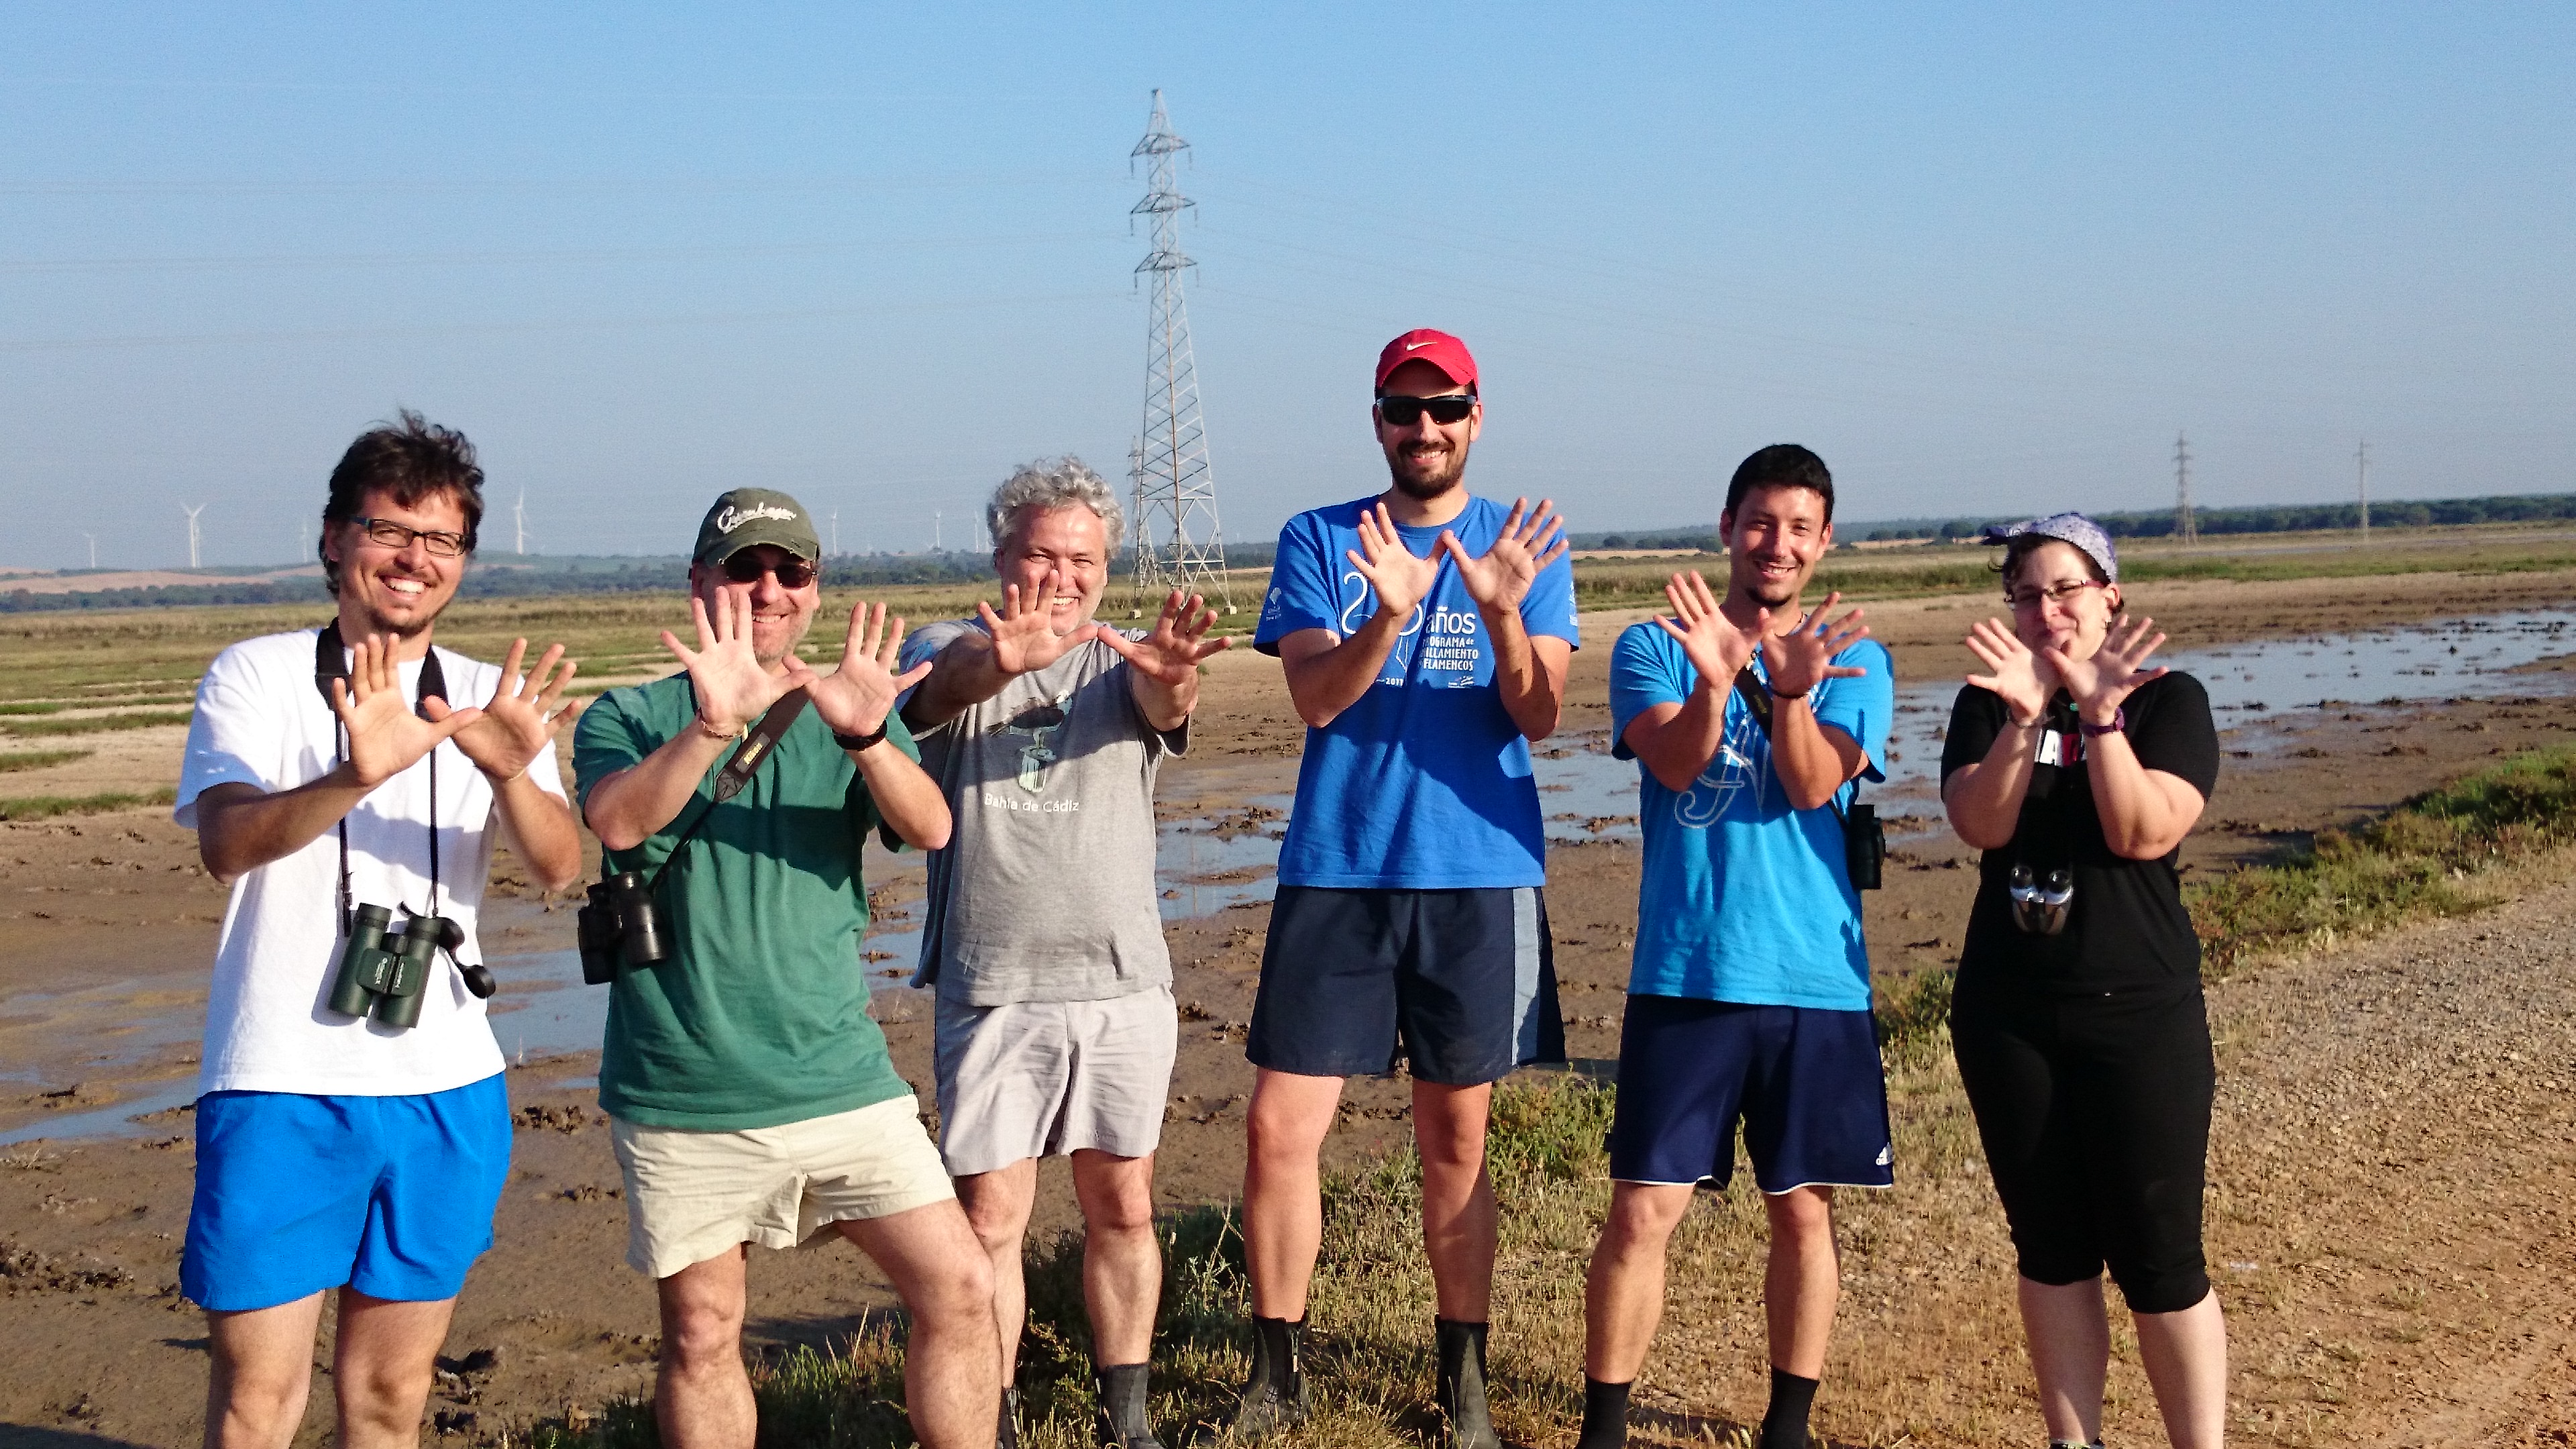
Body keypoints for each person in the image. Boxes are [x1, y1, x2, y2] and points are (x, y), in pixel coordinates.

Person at [174, 412, 585, 1449]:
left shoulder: (490, 695)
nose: (414, 559)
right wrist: (356, 773)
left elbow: (558, 865)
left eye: (442, 540)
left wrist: (506, 766)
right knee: (259, 1401)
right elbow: (226, 843)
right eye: (388, 530)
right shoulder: (258, 675)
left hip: (448, 1084)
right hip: (282, 1080)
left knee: (392, 1401)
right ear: (333, 541)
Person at [572, 488, 998, 1449]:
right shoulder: (628, 716)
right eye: (744, 567)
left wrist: (860, 734)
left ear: (814, 592)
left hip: (839, 1078)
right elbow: (619, 822)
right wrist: (713, 725)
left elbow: (928, 827)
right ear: (698, 582)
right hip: (685, 1091)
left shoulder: (844, 709)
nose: (768, 587)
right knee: (703, 1333)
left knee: (963, 1290)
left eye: (791, 570)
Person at [1232, 329, 1578, 1448]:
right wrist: (1388, 610)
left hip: (1477, 872)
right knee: (1279, 1129)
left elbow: (1538, 715)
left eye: (1445, 407)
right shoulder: (1322, 539)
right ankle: (1275, 1376)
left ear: (1479, 414)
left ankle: (1462, 1386)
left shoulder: (1525, 546)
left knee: (1456, 1140)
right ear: (1375, 418)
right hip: (1339, 868)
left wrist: (1499, 609)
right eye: (1401, 408)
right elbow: (1318, 703)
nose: (1422, 428)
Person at [896, 458, 1230, 1449]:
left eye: (1082, 558)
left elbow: (1167, 709)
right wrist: (1006, 661)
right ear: (1002, 556)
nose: (1061, 575)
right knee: (991, 1219)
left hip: (1123, 981)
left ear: (1106, 566)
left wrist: (1172, 678)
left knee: (1123, 1203)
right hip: (995, 985)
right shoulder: (946, 645)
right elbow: (931, 698)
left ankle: (1123, 1420)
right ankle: (988, 1424)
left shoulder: (1121, 664)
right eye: (1041, 553)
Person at [1576, 444, 1893, 1449]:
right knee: (1643, 1212)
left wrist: (1792, 691)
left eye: (1801, 528)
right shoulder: (1651, 645)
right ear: (1727, 527)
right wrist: (1719, 683)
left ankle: (1788, 1427)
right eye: (1761, 522)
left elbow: (1810, 786)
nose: (1778, 544)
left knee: (1802, 1211)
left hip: (1814, 979)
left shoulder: (1857, 657)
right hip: (1690, 969)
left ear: (1825, 540)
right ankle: (1605, 1428)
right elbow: (1675, 763)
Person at [1939, 513, 2226, 1449]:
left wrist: (2100, 716)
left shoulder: (2168, 700)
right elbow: (1980, 824)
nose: (2044, 607)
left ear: (2110, 592)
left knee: (2161, 1257)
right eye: (2024, 592)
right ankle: (2075, 1442)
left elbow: (2143, 832)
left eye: (2064, 587)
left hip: (2138, 1013)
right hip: (2009, 1013)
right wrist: (2026, 717)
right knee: (2052, 1251)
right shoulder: (1991, 700)